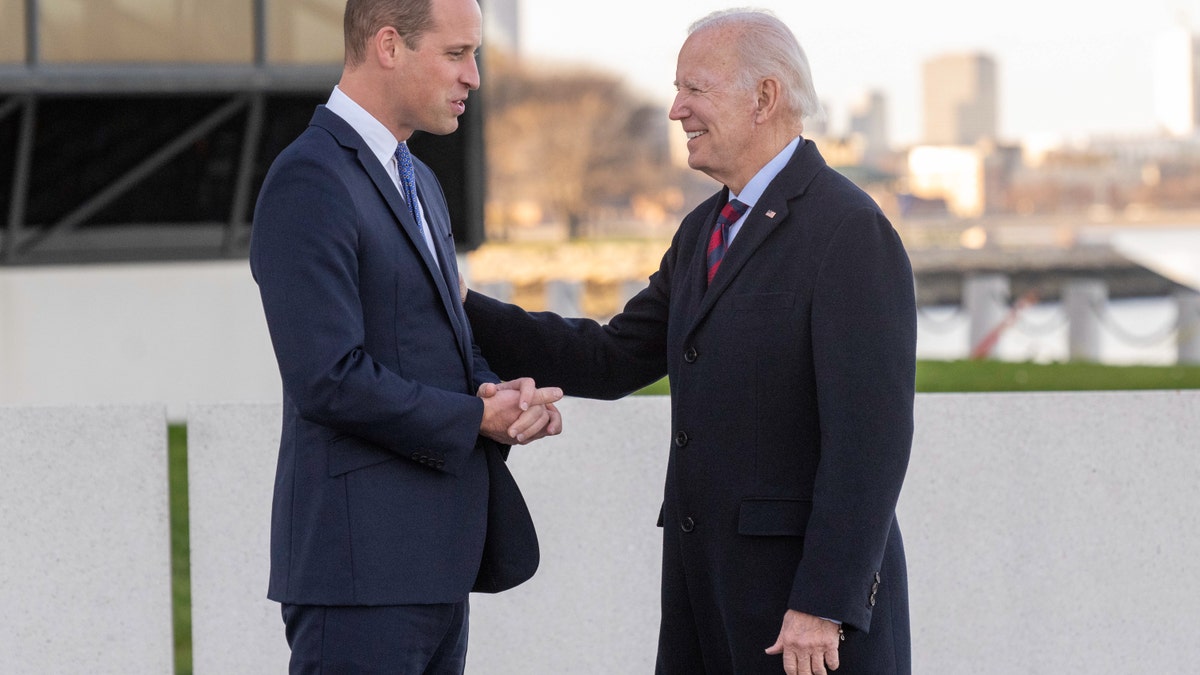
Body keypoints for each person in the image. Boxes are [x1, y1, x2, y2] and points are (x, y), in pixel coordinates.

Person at [466, 8, 915, 675]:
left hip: (801, 616)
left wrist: (824, 602)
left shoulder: (847, 229)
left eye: (694, 89)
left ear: (764, 97)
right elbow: (613, 356)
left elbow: (869, 442)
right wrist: (456, 308)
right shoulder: (703, 229)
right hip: (702, 597)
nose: (677, 110)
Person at [249, 0, 562, 672]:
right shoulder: (310, 178)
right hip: (359, 575)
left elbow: (431, 334)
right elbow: (328, 377)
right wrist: (473, 416)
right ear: (388, 46)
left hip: (433, 569)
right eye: (456, 54)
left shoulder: (419, 180)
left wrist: (494, 394)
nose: (473, 76)